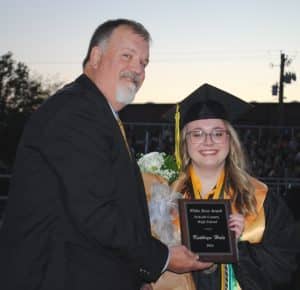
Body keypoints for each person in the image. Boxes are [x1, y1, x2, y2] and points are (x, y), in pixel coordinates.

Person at [0, 19, 211, 290]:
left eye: (144, 63)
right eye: (127, 56)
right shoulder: (76, 112)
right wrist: (164, 258)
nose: (137, 69)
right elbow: (95, 213)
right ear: (96, 56)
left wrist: (134, 277)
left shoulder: (98, 114)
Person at [163, 83, 298, 290]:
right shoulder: (163, 201)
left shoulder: (260, 199)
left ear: (230, 140)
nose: (208, 141)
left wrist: (239, 248)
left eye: (218, 133)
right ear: (185, 143)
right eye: (197, 134)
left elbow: (287, 263)